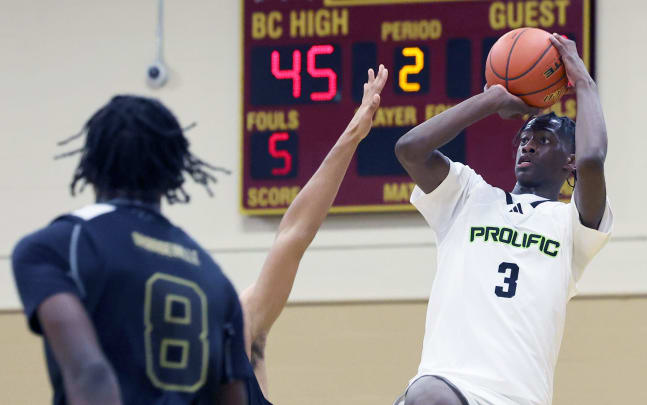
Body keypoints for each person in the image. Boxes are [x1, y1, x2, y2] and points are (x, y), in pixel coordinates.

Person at [12, 66, 388, 405]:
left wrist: (353, 136)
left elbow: (91, 374)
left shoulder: (64, 246)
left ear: (90, 166)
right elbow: (293, 234)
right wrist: (352, 135)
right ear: (175, 170)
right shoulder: (212, 283)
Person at [393, 34, 612, 405]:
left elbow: (593, 159)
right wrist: (491, 98)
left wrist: (584, 82)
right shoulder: (468, 196)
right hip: (450, 384)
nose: (528, 144)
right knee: (426, 393)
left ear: (569, 160)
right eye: (525, 137)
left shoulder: (572, 225)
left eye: (543, 140)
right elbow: (410, 150)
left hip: (518, 397)